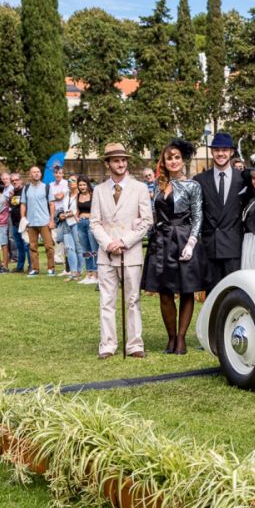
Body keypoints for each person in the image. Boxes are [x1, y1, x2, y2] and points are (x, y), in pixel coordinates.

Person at [142, 139, 205, 355]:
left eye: (177, 157)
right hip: (161, 241)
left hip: (184, 238)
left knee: (186, 290)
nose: (174, 161)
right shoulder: (158, 186)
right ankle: (170, 338)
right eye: (170, 158)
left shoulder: (192, 186)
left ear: (182, 160)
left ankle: (181, 339)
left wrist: (191, 242)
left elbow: (198, 217)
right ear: (164, 162)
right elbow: (154, 214)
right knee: (164, 291)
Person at [91, 142, 153, 359]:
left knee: (132, 300)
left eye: (123, 160)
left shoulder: (140, 188)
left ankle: (134, 344)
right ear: (108, 164)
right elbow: (94, 223)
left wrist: (124, 241)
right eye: (116, 160)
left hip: (131, 253)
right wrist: (108, 243)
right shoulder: (98, 190)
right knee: (106, 301)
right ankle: (107, 345)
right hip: (106, 255)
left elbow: (147, 221)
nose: (121, 163)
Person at [193, 132, 245, 292]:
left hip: (235, 247)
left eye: (225, 149)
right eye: (217, 150)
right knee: (212, 297)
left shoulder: (244, 179)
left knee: (234, 294)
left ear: (231, 152)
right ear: (211, 152)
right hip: (210, 248)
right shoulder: (199, 180)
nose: (221, 153)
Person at [21, 166, 56, 276]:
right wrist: (23, 218)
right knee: (32, 247)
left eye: (37, 172)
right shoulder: (26, 188)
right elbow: (23, 204)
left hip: (44, 221)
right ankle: (35, 269)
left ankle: (51, 268)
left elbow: (52, 204)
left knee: (49, 246)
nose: (36, 174)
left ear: (40, 174)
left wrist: (51, 220)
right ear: (30, 175)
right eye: (33, 172)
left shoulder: (47, 187)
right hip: (31, 222)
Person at [51, 164, 81, 281]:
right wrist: (62, 214)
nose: (71, 182)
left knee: (78, 248)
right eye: (69, 180)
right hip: (66, 223)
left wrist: (68, 214)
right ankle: (73, 273)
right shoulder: (66, 193)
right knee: (69, 248)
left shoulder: (81, 194)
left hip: (75, 223)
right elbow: (61, 204)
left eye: (73, 180)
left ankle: (79, 271)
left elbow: (79, 209)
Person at [74, 177, 99, 285]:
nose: (82, 187)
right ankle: (88, 274)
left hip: (91, 224)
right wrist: (76, 217)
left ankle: (96, 274)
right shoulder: (78, 196)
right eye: (80, 185)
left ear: (88, 185)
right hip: (81, 224)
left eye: (84, 185)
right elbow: (77, 210)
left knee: (94, 250)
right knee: (85, 250)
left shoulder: (93, 195)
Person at [8, 172, 28, 273]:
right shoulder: (13, 193)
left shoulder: (25, 191)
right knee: (19, 246)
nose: (15, 182)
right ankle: (20, 267)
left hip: (24, 222)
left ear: (21, 180)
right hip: (15, 223)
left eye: (16, 180)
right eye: (12, 181)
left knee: (27, 245)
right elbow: (12, 207)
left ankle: (31, 266)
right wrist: (10, 199)